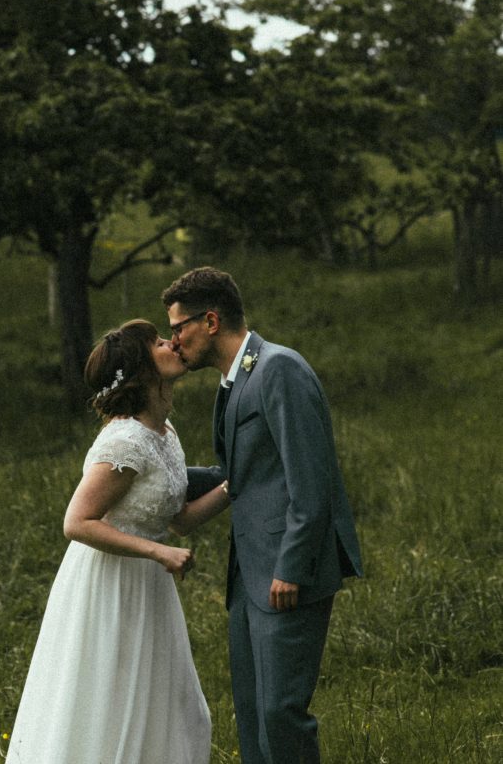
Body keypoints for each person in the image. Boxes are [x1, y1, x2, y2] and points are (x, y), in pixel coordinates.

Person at [5, 319, 230, 764]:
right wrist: (158, 551)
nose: (173, 343)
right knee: (110, 705)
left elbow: (179, 521)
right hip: (109, 584)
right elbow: (77, 522)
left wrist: (234, 487)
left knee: (173, 708)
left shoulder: (164, 433)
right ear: (140, 368)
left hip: (148, 586)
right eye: (159, 342)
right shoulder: (126, 440)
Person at [162, 267, 363, 764]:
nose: (173, 340)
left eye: (178, 327)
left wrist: (290, 567)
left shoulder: (280, 369)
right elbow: (240, 473)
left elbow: (311, 482)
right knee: (253, 715)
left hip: (285, 575)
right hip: (248, 578)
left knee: (281, 714)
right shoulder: (235, 380)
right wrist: (150, 472)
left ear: (210, 321)